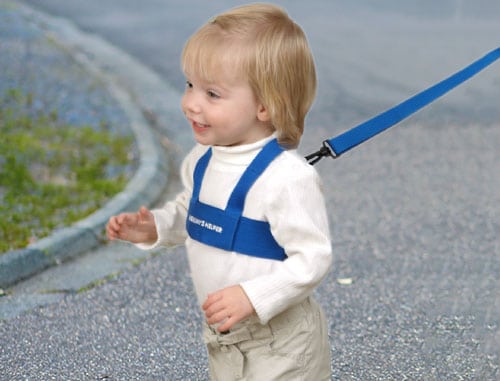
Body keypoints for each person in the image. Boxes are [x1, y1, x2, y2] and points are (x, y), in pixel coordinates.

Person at [106, 3, 332, 380]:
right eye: (190, 84)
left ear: (264, 106)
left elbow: (313, 258)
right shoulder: (203, 160)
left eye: (213, 93)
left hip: (282, 344)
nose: (192, 102)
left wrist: (252, 296)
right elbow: (194, 213)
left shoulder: (287, 179)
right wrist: (157, 227)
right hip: (225, 339)